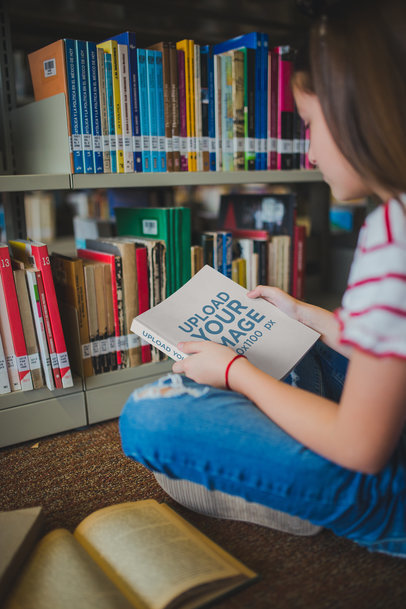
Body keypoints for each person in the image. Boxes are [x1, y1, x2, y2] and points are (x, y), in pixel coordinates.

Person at [120, 0, 406, 557]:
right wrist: (307, 315)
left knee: (150, 417)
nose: (310, 150)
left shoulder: (390, 237)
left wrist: (236, 373)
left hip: (388, 481)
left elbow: (361, 445)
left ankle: (297, 493)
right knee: (296, 342)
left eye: (310, 124)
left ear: (359, 113)